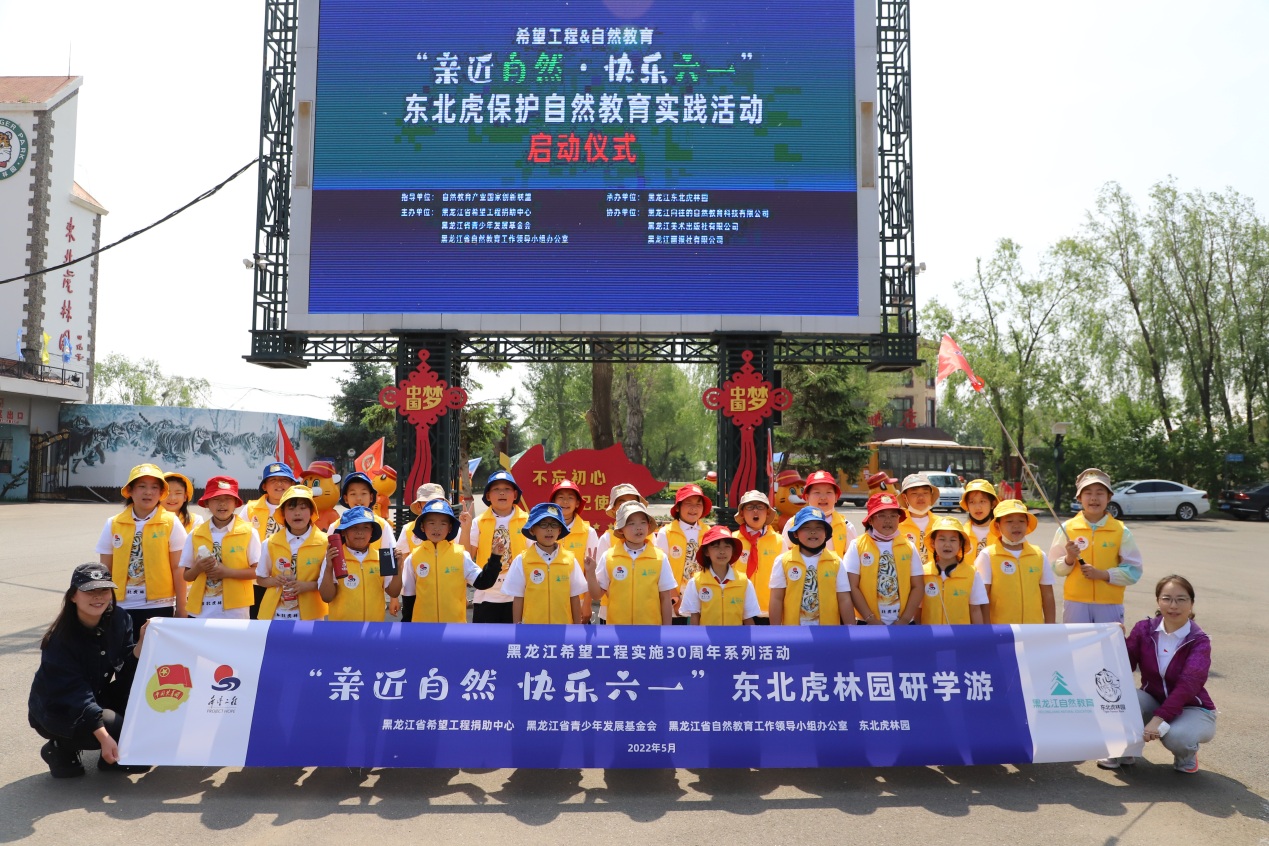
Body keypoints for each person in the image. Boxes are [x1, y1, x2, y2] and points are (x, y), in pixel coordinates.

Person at [28, 563, 150, 777]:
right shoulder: (60, 639)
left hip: (94, 695)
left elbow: (126, 671)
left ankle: (110, 757)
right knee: (114, 727)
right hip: (59, 709)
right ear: (73, 596)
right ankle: (59, 748)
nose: (98, 596)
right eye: (89, 591)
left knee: (141, 702)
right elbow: (75, 694)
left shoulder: (120, 619)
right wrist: (105, 737)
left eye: (104, 590)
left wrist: (140, 644)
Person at [1099, 575, 1215, 774]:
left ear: (1191, 603)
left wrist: (1159, 718)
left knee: (1178, 737)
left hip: (1191, 707)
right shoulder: (1144, 629)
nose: (1173, 605)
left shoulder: (1199, 640)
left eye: (1181, 599)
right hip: (1153, 699)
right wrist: (1116, 641)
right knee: (1123, 698)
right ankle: (1123, 748)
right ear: (1158, 601)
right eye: (1167, 598)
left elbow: (1188, 685)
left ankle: (1186, 756)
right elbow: (1125, 666)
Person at [95, 463, 188, 630]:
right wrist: (102, 604)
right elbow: (105, 569)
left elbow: (178, 568)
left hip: (159, 605)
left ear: (161, 493)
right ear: (130, 491)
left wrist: (182, 609)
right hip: (120, 605)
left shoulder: (171, 522)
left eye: (154, 487)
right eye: (142, 486)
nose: (148, 492)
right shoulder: (113, 523)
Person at [1049, 468, 1143, 624]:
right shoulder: (1066, 528)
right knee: (1077, 640)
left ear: (1109, 497)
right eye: (1088, 493)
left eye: (1100, 493)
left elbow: (1134, 571)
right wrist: (1069, 558)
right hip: (1075, 603)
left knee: (1109, 641)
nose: (1094, 498)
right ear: (1079, 498)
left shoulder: (1121, 531)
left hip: (1110, 603)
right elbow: (1055, 568)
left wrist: (1103, 574)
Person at [402, 499, 503, 622]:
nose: (437, 528)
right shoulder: (413, 558)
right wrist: (407, 626)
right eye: (431, 523)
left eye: (443, 523)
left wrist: (495, 558)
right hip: (423, 628)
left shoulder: (461, 555)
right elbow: (408, 596)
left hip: (455, 628)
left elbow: (483, 582)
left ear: (450, 527)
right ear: (422, 526)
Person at [584, 500, 676, 625]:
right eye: (631, 523)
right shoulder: (609, 557)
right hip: (617, 629)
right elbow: (596, 595)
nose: (638, 527)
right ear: (620, 529)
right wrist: (590, 573)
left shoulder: (659, 558)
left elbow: (665, 598)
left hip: (650, 630)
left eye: (643, 522)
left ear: (648, 526)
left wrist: (666, 630)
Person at [181, 476, 261, 620]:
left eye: (228, 499)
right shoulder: (195, 533)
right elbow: (187, 576)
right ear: (207, 503)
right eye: (216, 499)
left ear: (236, 503)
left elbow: (258, 572)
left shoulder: (249, 532)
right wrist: (198, 568)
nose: (222, 504)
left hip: (235, 612)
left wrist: (227, 572)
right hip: (200, 613)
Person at [502, 503, 587, 624]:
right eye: (543, 524)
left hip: (563, 628)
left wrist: (577, 627)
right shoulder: (522, 560)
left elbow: (574, 596)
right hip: (532, 628)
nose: (549, 529)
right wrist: (518, 626)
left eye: (554, 524)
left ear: (559, 530)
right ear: (532, 530)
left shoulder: (569, 560)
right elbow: (518, 597)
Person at [846, 493, 924, 625]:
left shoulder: (909, 546)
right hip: (867, 622)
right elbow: (852, 586)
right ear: (870, 520)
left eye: (893, 515)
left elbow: (918, 586)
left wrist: (905, 619)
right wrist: (870, 619)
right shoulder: (857, 545)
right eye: (881, 515)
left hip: (903, 624)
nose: (888, 520)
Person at [255, 485, 330, 621]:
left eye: (303, 507)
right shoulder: (270, 543)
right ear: (283, 513)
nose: (297, 513)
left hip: (311, 616)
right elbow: (260, 579)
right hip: (275, 616)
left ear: (312, 512)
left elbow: (329, 584)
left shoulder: (325, 543)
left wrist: (307, 586)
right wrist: (274, 580)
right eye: (291, 508)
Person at [976, 499, 1056, 624]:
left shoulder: (1039, 555)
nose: (1016, 525)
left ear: (1027, 524)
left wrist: (1050, 627)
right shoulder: (988, 555)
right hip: (1001, 629)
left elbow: (1048, 595)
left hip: (1033, 628)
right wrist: (987, 629)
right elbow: (982, 597)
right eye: (1009, 521)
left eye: (1021, 521)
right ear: (997, 525)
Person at [769, 506, 851, 626]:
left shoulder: (836, 562)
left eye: (819, 528)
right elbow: (777, 598)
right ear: (796, 533)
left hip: (828, 631)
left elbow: (844, 599)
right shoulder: (783, 561)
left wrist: (852, 630)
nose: (813, 532)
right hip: (793, 632)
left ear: (826, 533)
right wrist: (775, 631)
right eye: (806, 528)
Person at [465, 470, 528, 623]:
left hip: (519, 594)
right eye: (496, 489)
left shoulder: (528, 521)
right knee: (485, 638)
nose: (502, 493)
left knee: (516, 637)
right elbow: (466, 556)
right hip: (486, 595)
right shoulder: (478, 522)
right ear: (488, 496)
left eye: (507, 489)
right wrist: (465, 528)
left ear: (515, 494)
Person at [320, 506, 401, 622]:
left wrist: (399, 568)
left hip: (374, 628)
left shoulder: (381, 558)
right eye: (354, 527)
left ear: (372, 532)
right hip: (341, 629)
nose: (360, 532)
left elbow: (393, 592)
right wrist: (329, 567)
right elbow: (326, 597)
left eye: (366, 527)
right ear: (344, 531)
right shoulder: (334, 558)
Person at [681, 526, 760, 625]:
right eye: (716, 547)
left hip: (736, 636)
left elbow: (748, 618)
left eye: (727, 546)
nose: (722, 551)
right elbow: (694, 617)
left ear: (733, 550)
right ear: (706, 551)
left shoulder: (744, 582)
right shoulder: (696, 582)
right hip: (706, 636)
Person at [392, 482, 447, 620]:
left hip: (444, 591)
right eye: (428, 502)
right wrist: (394, 597)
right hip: (414, 591)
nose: (433, 506)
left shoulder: (450, 529)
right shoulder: (408, 529)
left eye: (437, 502)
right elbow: (401, 564)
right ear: (419, 506)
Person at [593, 483, 647, 623]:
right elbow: (601, 580)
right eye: (622, 502)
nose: (627, 505)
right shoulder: (607, 538)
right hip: (611, 610)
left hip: (646, 612)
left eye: (632, 501)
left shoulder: (650, 537)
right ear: (614, 509)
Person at [658, 483, 712, 622]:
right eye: (688, 503)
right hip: (674, 602)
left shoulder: (708, 532)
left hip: (703, 598)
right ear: (678, 507)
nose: (694, 508)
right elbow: (661, 569)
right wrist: (675, 599)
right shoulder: (666, 532)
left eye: (698, 504)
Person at [919, 515, 988, 625]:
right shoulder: (923, 573)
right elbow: (918, 610)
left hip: (961, 635)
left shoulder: (972, 574)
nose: (947, 544)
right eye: (942, 539)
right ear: (933, 543)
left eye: (953, 540)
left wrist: (979, 635)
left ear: (960, 544)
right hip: (930, 635)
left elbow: (975, 610)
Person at [551, 480, 599, 623]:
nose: (565, 501)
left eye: (570, 498)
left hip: (579, 599)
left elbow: (590, 572)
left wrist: (587, 604)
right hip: (550, 598)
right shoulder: (544, 529)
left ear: (577, 503)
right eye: (561, 497)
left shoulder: (588, 532)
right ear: (553, 501)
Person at [733, 489, 784, 623]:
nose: (755, 511)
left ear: (767, 512)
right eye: (750, 507)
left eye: (760, 507)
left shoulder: (779, 541)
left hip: (768, 610)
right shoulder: (732, 541)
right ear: (742, 513)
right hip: (737, 609)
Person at [781, 470, 858, 555]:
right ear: (807, 497)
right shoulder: (792, 524)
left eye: (828, 492)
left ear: (836, 497)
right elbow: (784, 556)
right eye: (817, 492)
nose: (823, 497)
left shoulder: (846, 527)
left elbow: (853, 559)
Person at [897, 472, 939, 564]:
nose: (921, 497)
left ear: (931, 495)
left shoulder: (941, 524)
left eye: (925, 493)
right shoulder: (896, 525)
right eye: (914, 493)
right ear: (905, 497)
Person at [960, 478, 999, 557]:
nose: (977, 507)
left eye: (982, 501)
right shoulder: (961, 534)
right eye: (972, 502)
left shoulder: (1003, 534)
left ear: (993, 504)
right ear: (967, 505)